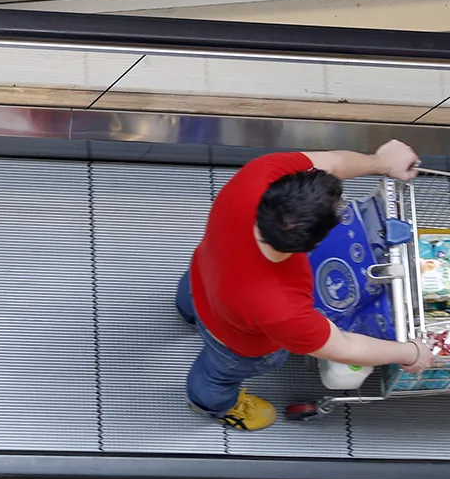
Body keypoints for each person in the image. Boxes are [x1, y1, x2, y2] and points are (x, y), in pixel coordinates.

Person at [177, 141, 436, 431]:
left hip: (203, 274)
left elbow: (333, 162)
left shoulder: (256, 175)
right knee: (219, 373)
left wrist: (380, 161)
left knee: (195, 296)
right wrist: (409, 353)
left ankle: (185, 311)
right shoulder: (282, 308)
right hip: (233, 341)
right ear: (314, 242)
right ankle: (212, 404)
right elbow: (343, 346)